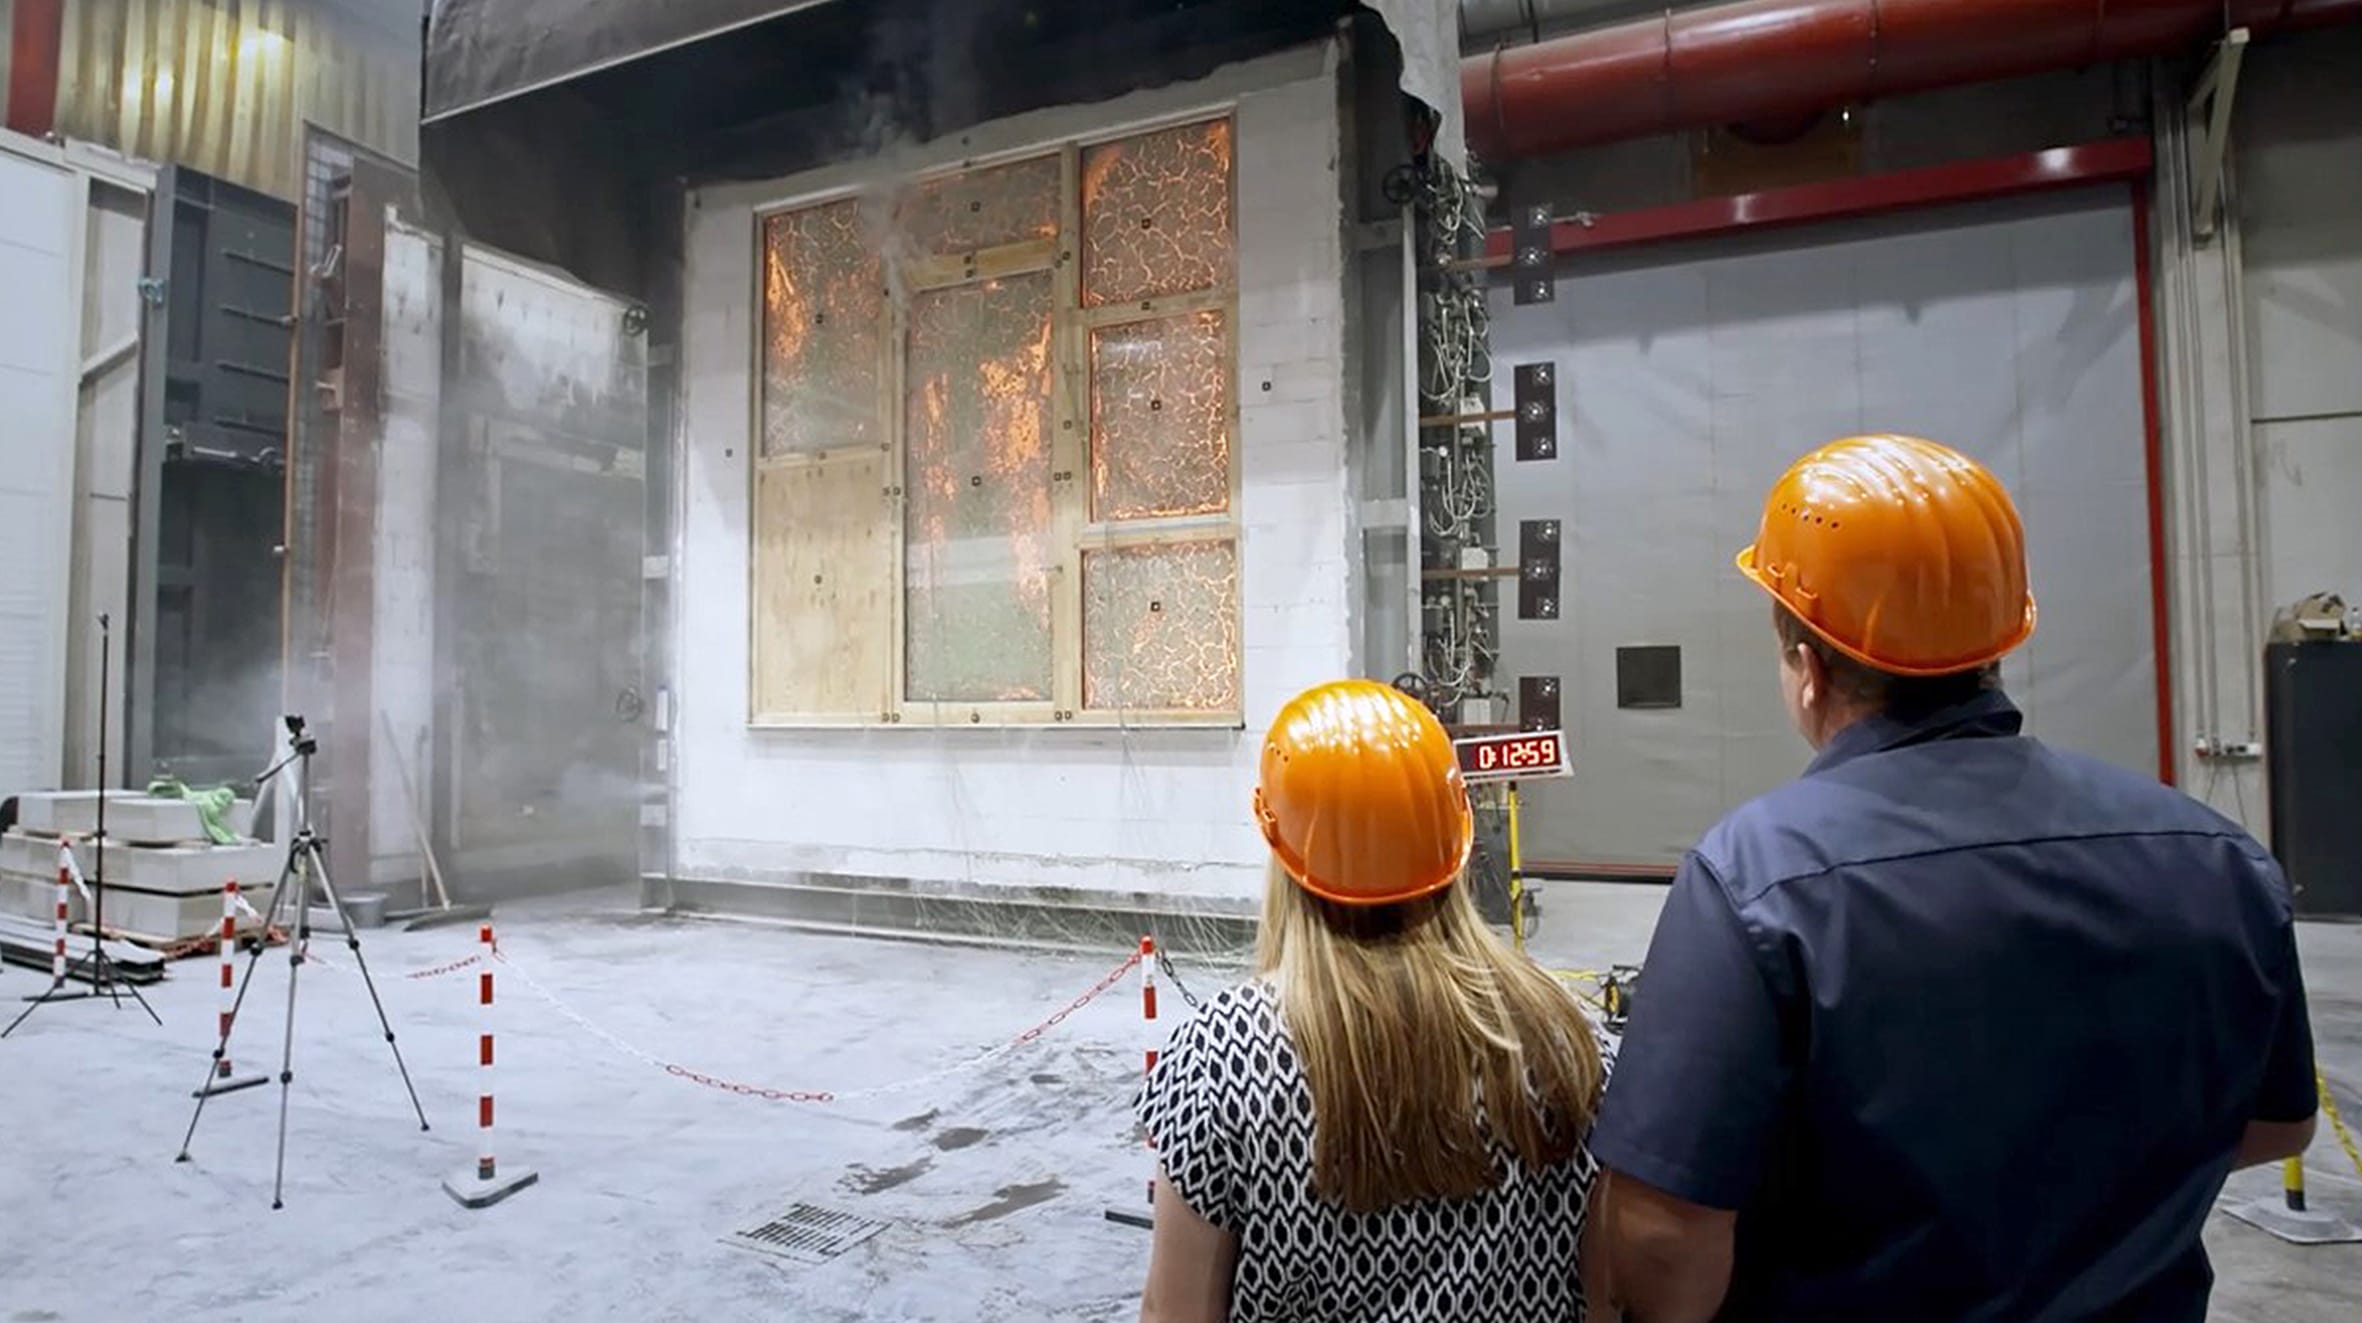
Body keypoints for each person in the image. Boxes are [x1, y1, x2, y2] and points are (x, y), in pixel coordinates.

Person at [1589, 434, 2319, 1323]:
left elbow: (1666, 1236)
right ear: (2000, 642)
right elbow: (2280, 1125)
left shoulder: (1757, 881)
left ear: (1808, 667)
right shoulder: (2220, 859)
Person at [1136, 678, 1615, 1323]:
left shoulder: (1224, 1061)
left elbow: (1177, 1314)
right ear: (1458, 842)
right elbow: (1605, 1295)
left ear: (1282, 853)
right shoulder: (1566, 1036)